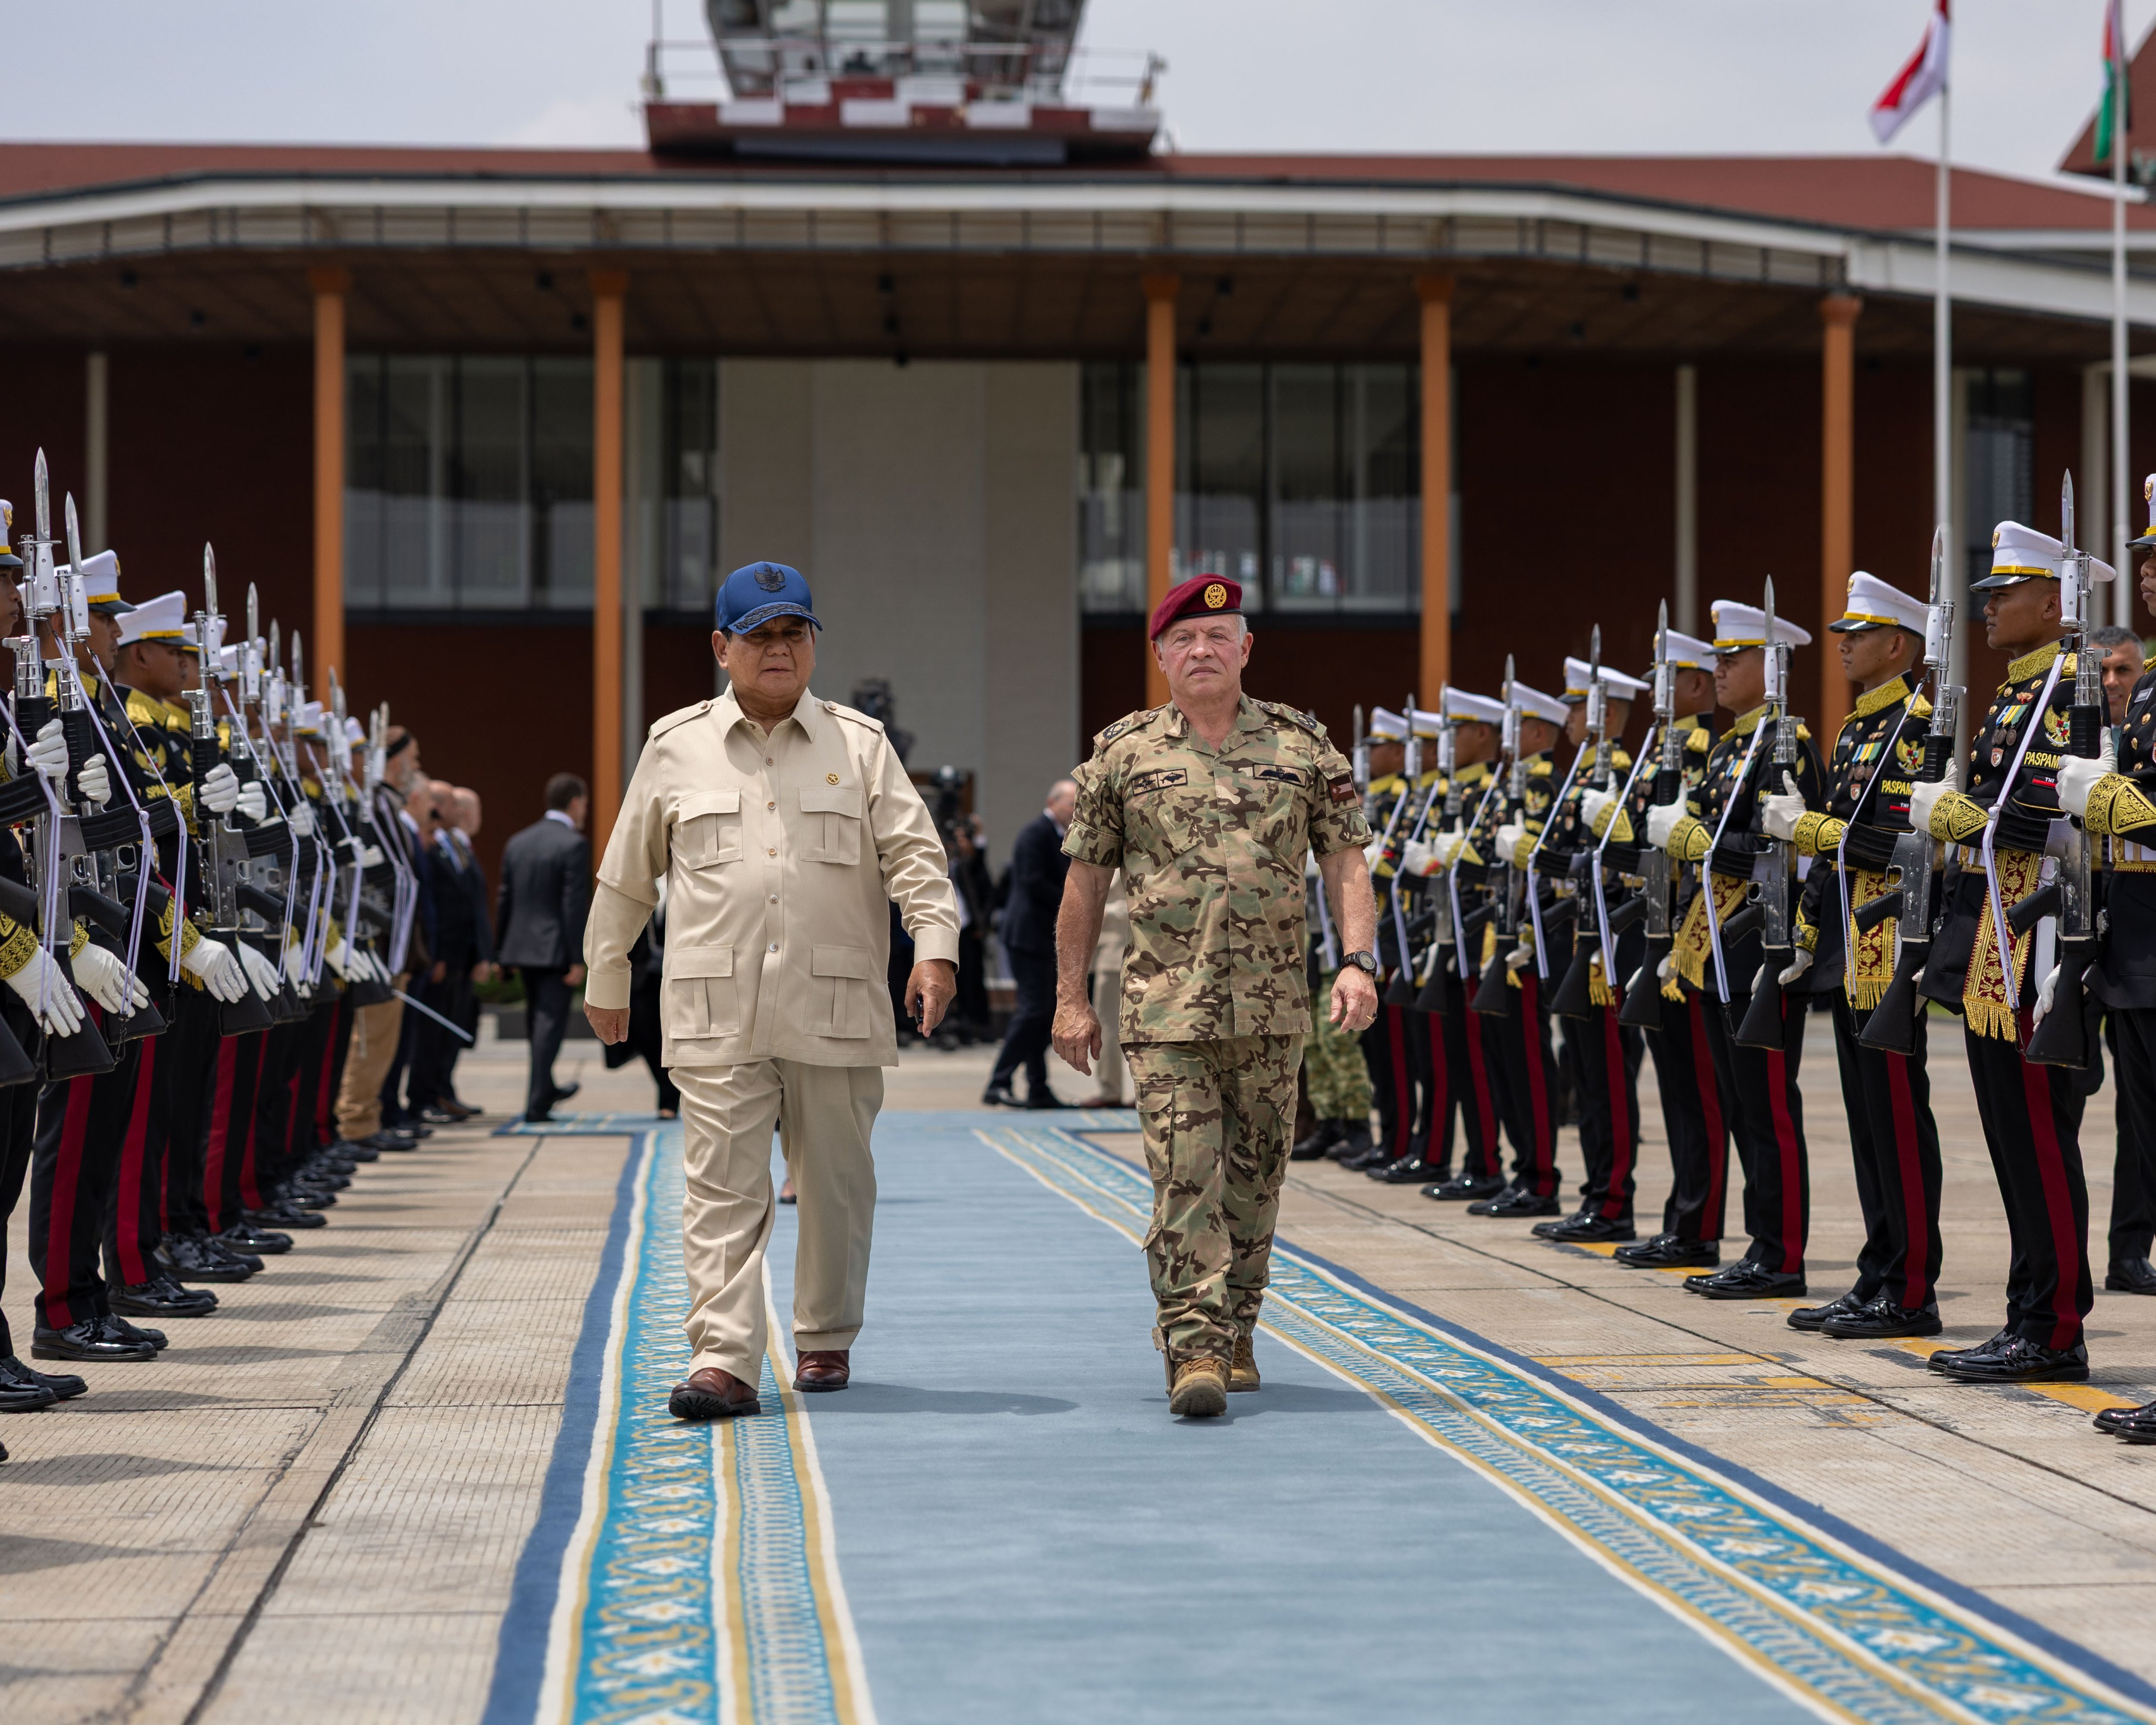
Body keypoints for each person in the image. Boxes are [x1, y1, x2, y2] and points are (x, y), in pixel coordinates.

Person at [584, 560, 959, 1422]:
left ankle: (825, 1331)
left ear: (814, 644)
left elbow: (916, 858)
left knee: (835, 1184)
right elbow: (627, 874)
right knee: (721, 1188)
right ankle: (723, 1358)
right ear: (723, 647)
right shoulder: (675, 745)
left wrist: (934, 951)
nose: (779, 649)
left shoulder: (861, 745)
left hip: (835, 1003)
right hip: (716, 1007)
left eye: (794, 633)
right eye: (760, 636)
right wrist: (607, 972)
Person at [1051, 572, 1378, 1420]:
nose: (1202, 650)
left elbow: (1345, 860)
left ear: (1246, 649)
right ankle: (1194, 1344)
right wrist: (1070, 997)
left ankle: (1238, 1328)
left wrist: (1358, 961)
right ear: (1162, 656)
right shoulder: (1124, 754)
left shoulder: (1304, 748)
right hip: (1167, 1009)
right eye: (1184, 640)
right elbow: (1085, 882)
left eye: (1218, 636)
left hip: (1273, 1007)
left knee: (1256, 1181)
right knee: (1185, 1178)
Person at [1911, 522, 2095, 1383]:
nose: (1988, 607)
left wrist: (1963, 816)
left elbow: (2061, 813)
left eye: (2004, 593)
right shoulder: (2016, 692)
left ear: (2053, 603)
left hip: (2035, 936)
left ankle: (2055, 1327)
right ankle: (2027, 1313)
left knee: (2038, 1139)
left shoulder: (2066, 689)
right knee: (2010, 1141)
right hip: (1996, 937)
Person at [1772, 572, 1944, 1339]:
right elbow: (1837, 853)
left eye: (1860, 633)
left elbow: (1902, 844)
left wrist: (1809, 830)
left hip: (1892, 944)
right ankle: (1877, 1274)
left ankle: (1910, 1289)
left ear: (1898, 645)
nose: (1842, 645)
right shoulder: (1856, 729)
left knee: (1898, 1120)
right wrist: (1809, 928)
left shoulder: (1916, 725)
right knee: (1868, 1121)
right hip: (1851, 943)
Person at [1648, 598, 1826, 1299]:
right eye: (1718, 659)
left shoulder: (1787, 743)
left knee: (1768, 1106)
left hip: (1762, 944)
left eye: (1733, 658)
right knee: (1741, 1104)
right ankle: (1760, 1245)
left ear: (1771, 666)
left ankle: (1782, 1255)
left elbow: (1788, 850)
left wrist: (1699, 842)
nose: (1719, 670)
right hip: (1717, 945)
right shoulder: (1729, 747)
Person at [1533, 652, 1650, 1241]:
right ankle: (1595, 1193)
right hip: (1579, 941)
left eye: (1578, 706)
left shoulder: (1624, 776)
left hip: (1612, 947)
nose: (1569, 717)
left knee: (1608, 1079)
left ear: (1607, 712)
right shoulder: (1582, 776)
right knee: (1585, 1075)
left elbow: (1631, 862)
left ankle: (1614, 1202)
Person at [497, 773, 591, 1124]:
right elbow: (572, 906)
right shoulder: (573, 844)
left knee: (536, 1023)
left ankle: (546, 1087)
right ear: (576, 803)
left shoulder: (518, 842)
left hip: (521, 947)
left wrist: (501, 952)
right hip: (554, 950)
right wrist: (576, 957)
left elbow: (504, 899)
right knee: (549, 1025)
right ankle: (537, 1102)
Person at [983, 778, 1075, 1108]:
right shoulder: (1035, 833)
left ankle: (1038, 1087)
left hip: (1041, 938)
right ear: (1053, 803)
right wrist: (1074, 903)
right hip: (1028, 936)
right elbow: (1033, 882)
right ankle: (999, 1082)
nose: (1076, 810)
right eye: (1071, 804)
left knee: (1043, 1013)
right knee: (1033, 1010)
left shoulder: (1058, 834)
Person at [1080, 871, 1133, 1107]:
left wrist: (1110, 910)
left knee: (1111, 1025)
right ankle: (1111, 1088)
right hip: (1110, 952)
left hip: (1120, 951)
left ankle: (1114, 1090)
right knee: (1109, 1024)